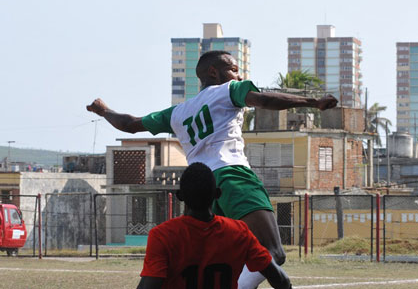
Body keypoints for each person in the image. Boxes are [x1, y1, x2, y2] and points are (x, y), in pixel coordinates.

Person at [87, 50, 337, 289]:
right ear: (214, 73)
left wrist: (103, 110)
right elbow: (263, 100)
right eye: (234, 69)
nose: (239, 76)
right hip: (232, 175)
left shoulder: (177, 112)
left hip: (201, 186)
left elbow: (129, 124)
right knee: (273, 252)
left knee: (220, 257)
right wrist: (313, 102)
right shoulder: (229, 90)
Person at [137, 162, 292, 289]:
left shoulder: (163, 235)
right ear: (217, 194)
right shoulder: (239, 232)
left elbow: (149, 285)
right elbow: (281, 280)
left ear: (180, 196)